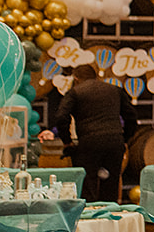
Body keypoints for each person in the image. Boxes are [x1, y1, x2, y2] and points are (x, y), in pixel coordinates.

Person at [55, 64, 138, 203]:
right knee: (111, 187)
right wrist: (124, 138)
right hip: (114, 142)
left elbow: (61, 117)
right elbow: (132, 116)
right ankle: (110, 219)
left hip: (89, 143)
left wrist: (67, 141)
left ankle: (91, 220)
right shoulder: (115, 90)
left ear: (76, 78)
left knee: (88, 187)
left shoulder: (75, 92)